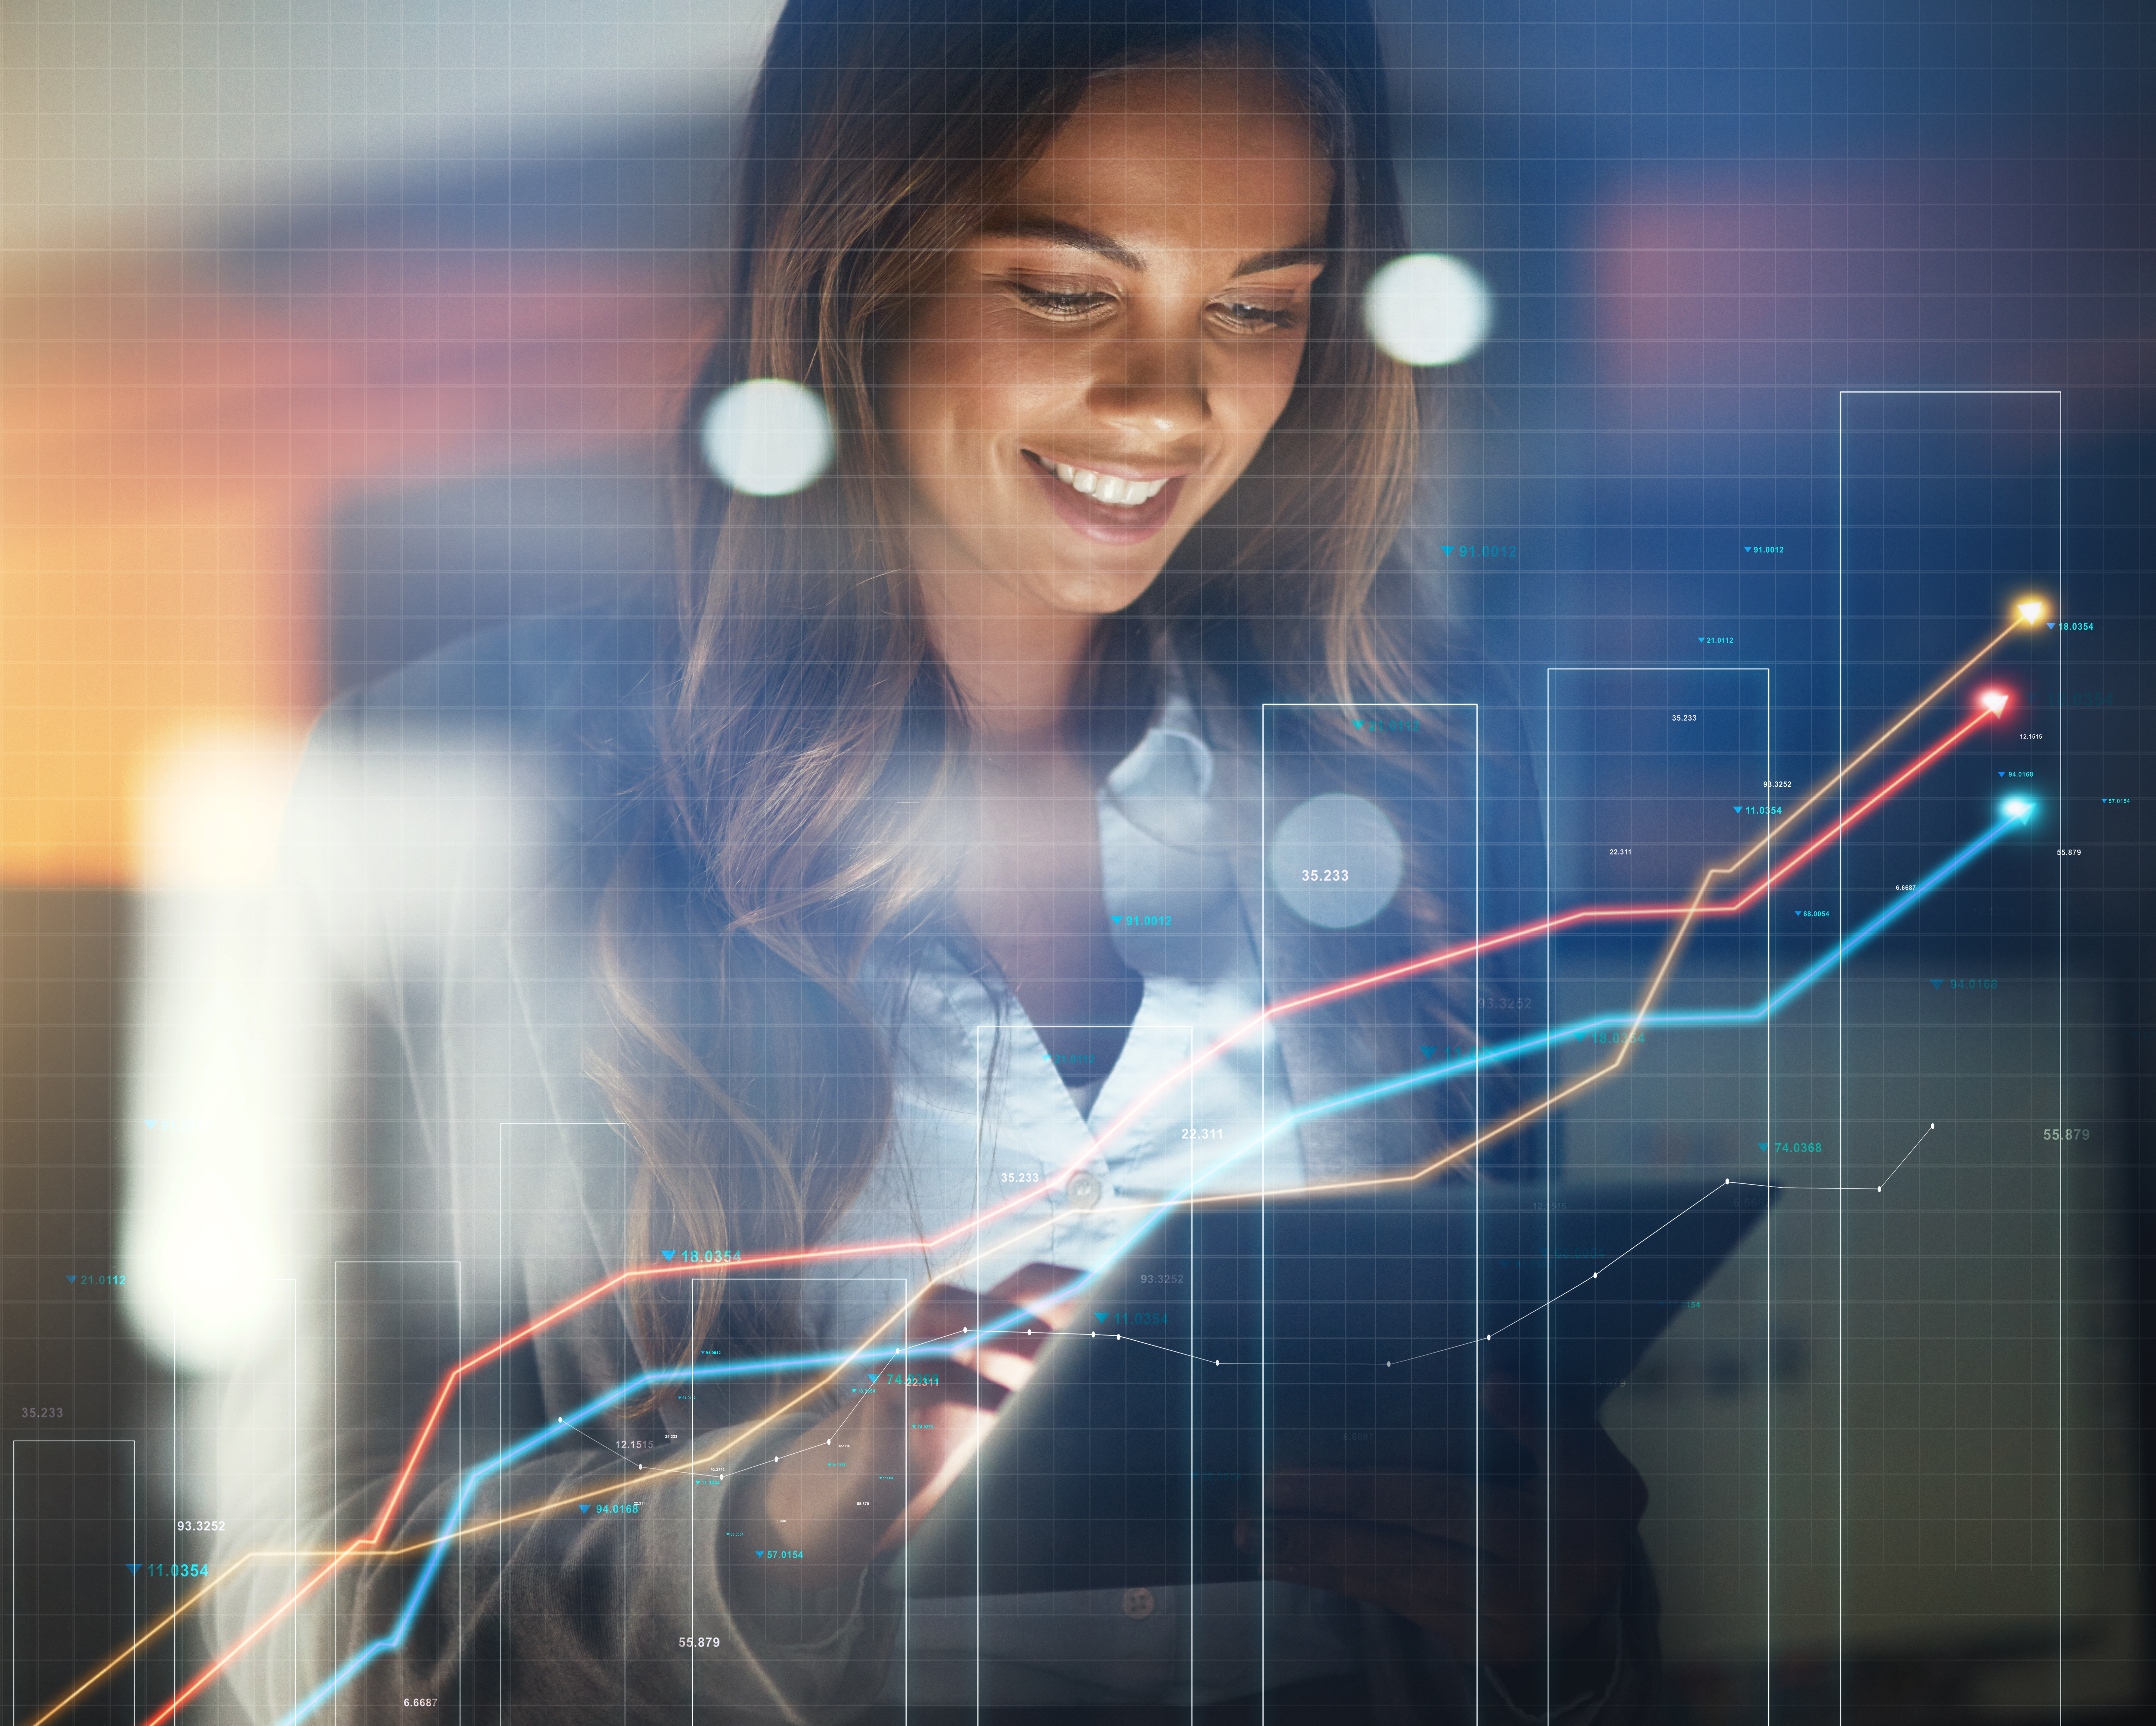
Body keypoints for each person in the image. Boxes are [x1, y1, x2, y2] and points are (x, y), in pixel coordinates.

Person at [213, 2, 1657, 1720]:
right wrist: (789, 1527)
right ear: (854, 264)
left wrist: (1570, 1608)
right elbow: (310, 1619)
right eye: (1063, 291)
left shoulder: (1412, 820)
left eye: (1257, 309)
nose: (1168, 402)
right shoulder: (455, 804)